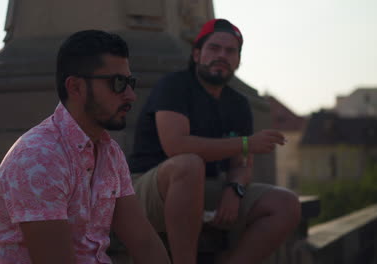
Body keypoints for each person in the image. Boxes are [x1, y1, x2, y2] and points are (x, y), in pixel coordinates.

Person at [0, 30, 170, 264]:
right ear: (76, 87)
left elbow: (143, 241)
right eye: (118, 83)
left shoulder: (109, 153)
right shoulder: (39, 157)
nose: (131, 95)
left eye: (130, 82)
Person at [129, 19, 301, 264]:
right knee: (189, 164)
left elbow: (241, 164)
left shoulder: (239, 104)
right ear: (197, 54)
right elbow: (176, 146)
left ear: (238, 61)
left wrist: (235, 189)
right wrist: (245, 143)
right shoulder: (174, 86)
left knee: (286, 203)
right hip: (150, 188)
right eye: (214, 48)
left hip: (204, 187)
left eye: (230, 51)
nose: (222, 55)